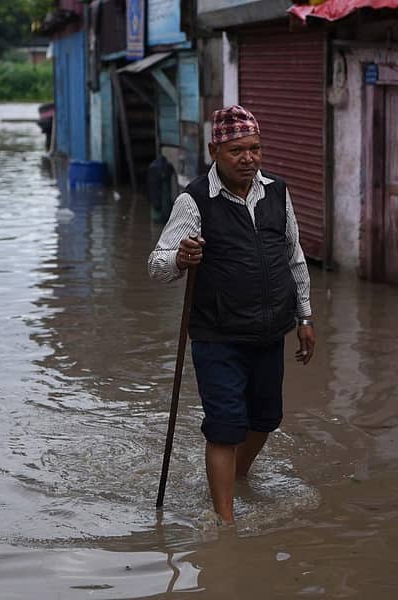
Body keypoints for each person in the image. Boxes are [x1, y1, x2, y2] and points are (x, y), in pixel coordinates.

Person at [148, 105, 316, 524]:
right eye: (237, 150)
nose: (248, 158)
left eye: (255, 148)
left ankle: (236, 475)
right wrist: (182, 260)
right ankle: (226, 522)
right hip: (217, 334)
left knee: (265, 419)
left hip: (269, 330)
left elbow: (293, 254)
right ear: (215, 151)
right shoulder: (195, 200)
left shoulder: (277, 191)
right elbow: (156, 264)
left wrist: (305, 317)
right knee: (225, 425)